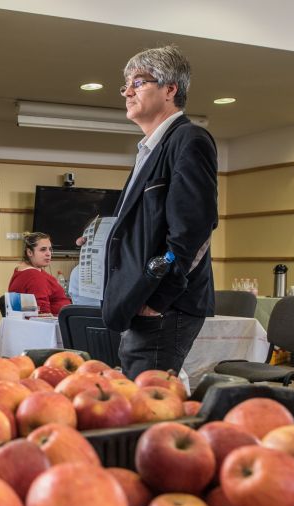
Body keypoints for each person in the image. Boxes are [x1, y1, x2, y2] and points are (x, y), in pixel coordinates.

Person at [101, 45, 218, 379]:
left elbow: (194, 230)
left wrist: (159, 299)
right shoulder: (149, 150)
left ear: (170, 89)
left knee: (147, 408)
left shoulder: (189, 139)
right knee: (136, 400)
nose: (127, 91)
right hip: (139, 300)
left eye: (138, 82)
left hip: (164, 306)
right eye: (125, 84)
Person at [8, 232, 71, 315]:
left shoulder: (21, 270)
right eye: (43, 249)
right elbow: (43, 314)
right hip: (55, 324)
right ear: (29, 252)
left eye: (50, 249)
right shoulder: (34, 276)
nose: (48, 254)